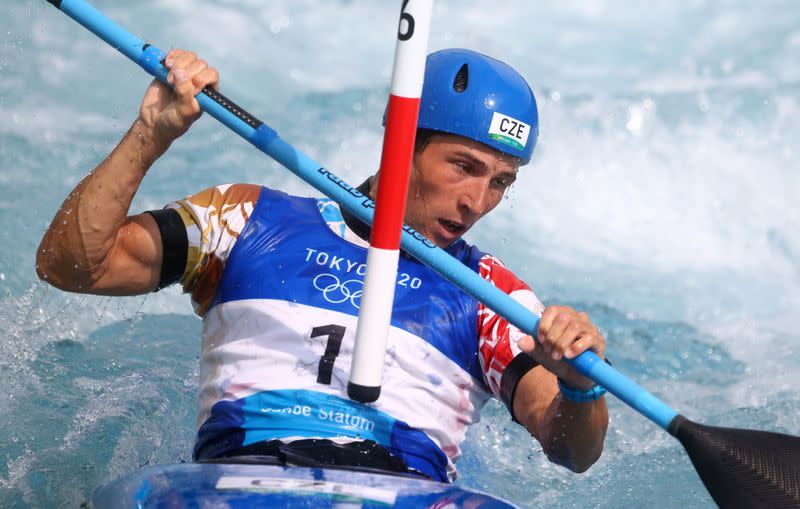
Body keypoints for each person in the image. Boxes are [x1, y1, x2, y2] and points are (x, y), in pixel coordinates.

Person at [36, 47, 608, 482]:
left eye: (501, 182)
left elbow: (569, 450)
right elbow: (72, 267)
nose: (478, 201)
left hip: (403, 486)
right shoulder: (245, 219)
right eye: (464, 166)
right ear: (402, 139)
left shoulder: (491, 294)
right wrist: (150, 135)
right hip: (243, 480)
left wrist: (581, 387)